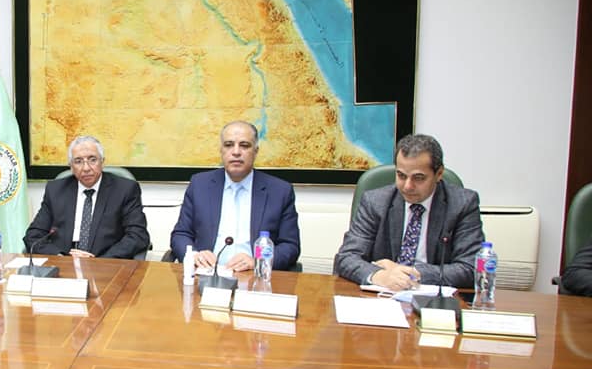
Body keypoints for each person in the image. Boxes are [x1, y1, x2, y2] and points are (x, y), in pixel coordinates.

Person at [333, 133, 484, 290]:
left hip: (432, 296)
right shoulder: (375, 202)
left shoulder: (462, 204)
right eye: (401, 175)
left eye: (418, 178)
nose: (407, 186)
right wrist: (380, 275)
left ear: (439, 174)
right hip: (382, 294)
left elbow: (471, 267)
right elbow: (346, 258)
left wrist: (411, 273)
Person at [170, 121, 300, 272]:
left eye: (244, 145)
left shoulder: (279, 191)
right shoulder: (200, 185)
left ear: (256, 151)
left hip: (254, 276)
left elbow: (290, 246)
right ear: (221, 150)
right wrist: (194, 255)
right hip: (206, 274)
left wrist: (257, 260)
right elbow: (181, 234)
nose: (236, 152)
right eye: (229, 145)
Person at [23, 135, 150, 258]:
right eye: (78, 161)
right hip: (65, 261)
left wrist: (99, 261)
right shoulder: (56, 190)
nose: (86, 168)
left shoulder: (125, 190)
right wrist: (60, 256)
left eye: (92, 159)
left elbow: (138, 236)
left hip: (105, 261)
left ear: (102, 162)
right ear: (71, 166)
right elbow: (33, 236)